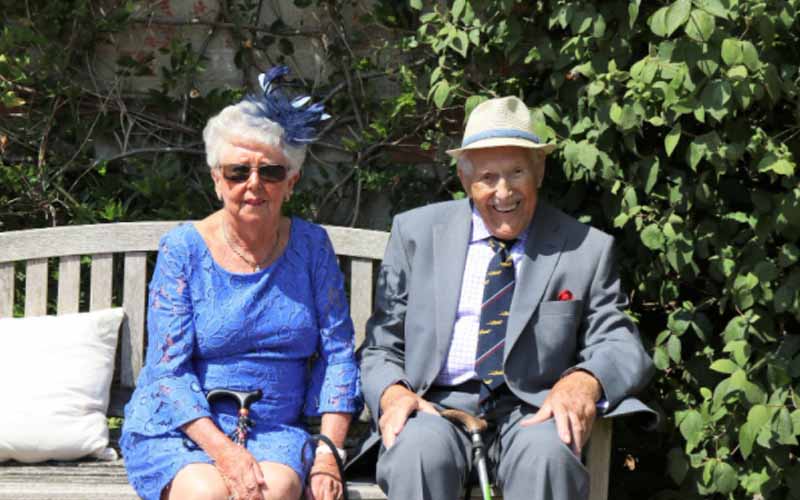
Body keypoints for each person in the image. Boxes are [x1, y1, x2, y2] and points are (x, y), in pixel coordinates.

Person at [358, 96, 655, 500]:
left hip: (533, 410)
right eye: (487, 177)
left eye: (516, 172)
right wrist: (393, 392)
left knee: (549, 455)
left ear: (539, 171)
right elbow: (381, 344)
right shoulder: (416, 233)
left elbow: (620, 343)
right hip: (438, 406)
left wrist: (584, 382)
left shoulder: (583, 248)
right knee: (417, 452)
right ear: (465, 181)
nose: (503, 192)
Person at [121, 66, 360, 500]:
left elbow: (338, 355)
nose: (253, 185)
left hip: (275, 429)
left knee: (277, 488)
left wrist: (328, 452)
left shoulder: (311, 247)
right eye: (237, 172)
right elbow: (167, 373)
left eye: (269, 172)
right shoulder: (183, 250)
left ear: (291, 182)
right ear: (217, 179)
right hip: (184, 428)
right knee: (205, 493)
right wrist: (225, 453)